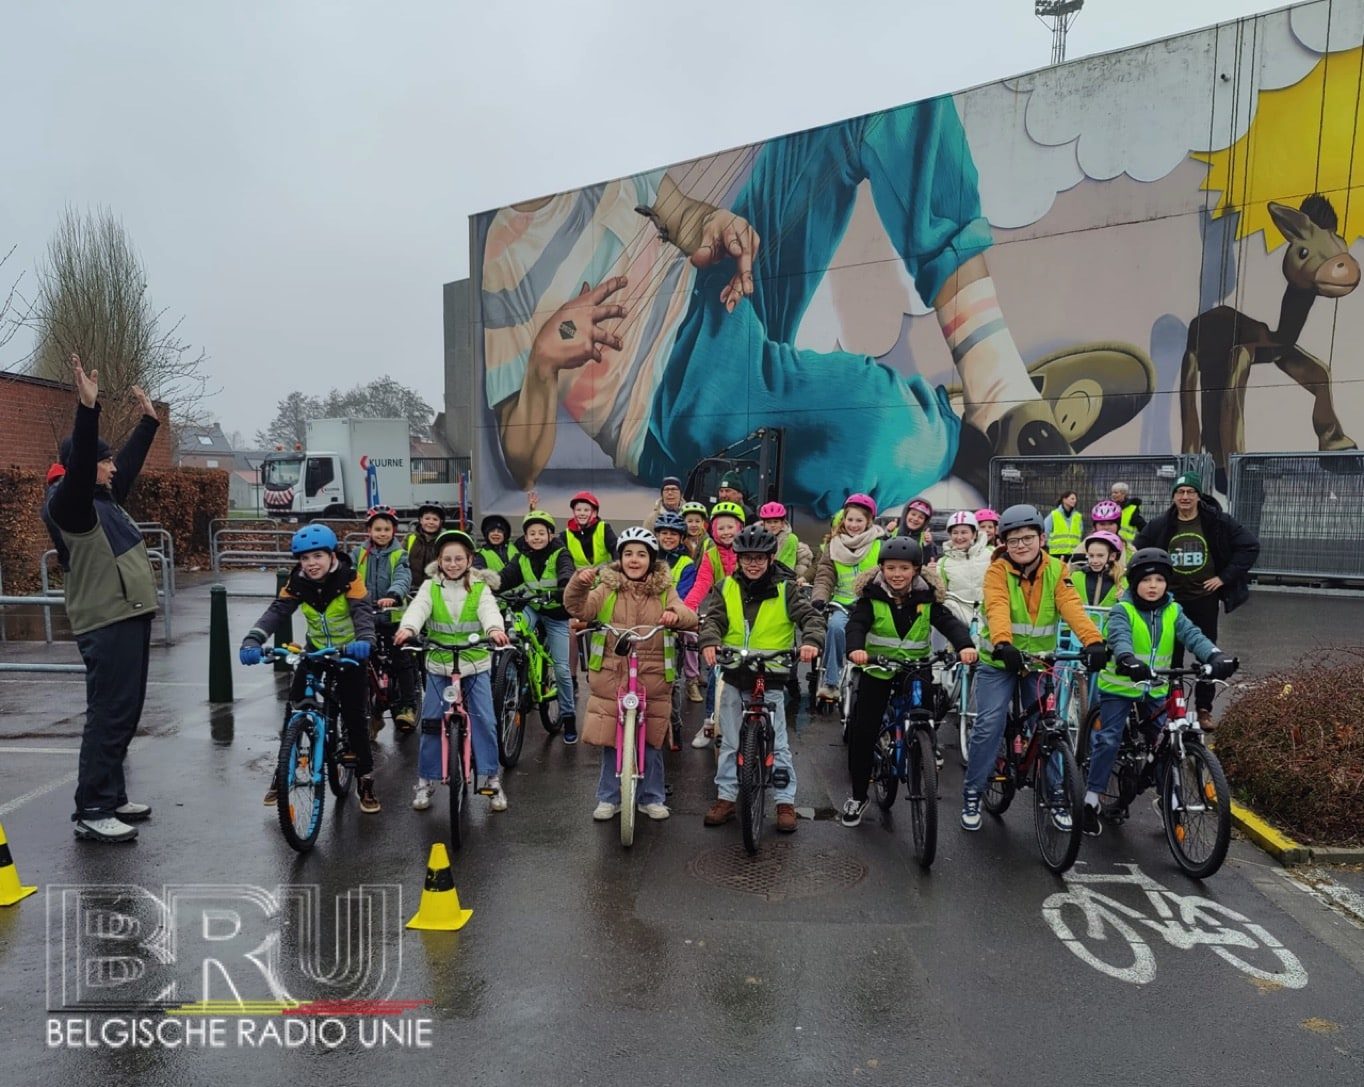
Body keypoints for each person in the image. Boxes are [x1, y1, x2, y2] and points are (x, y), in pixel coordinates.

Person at [484, 98, 1121, 520]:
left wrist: (723, 230)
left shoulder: (609, 175)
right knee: (867, 423)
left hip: (721, 298)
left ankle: (996, 387)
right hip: (673, 402)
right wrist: (543, 362)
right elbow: (522, 461)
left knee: (877, 111)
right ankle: (956, 433)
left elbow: (684, 218)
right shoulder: (503, 255)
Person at [41, 355, 160, 844]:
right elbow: (84, 457)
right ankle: (91, 808)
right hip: (105, 621)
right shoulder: (69, 504)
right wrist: (86, 410)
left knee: (125, 712)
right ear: (86, 465)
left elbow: (126, 462)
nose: (113, 467)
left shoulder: (104, 498)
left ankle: (110, 796)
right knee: (108, 714)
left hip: (128, 616)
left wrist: (149, 421)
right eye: (103, 460)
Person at [960, 504, 1107, 832]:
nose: (1021, 545)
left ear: (1042, 538)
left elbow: (1070, 606)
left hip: (1039, 663)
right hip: (999, 661)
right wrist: (1002, 643)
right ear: (1004, 544)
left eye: (1028, 538)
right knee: (989, 724)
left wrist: (1094, 642)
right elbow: (996, 606)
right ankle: (973, 791)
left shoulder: (1057, 569)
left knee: (1049, 727)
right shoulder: (997, 571)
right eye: (1013, 541)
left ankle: (1056, 794)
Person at [1086, 547, 1237, 835]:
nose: (1153, 586)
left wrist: (1215, 656)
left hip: (1155, 688)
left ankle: (1167, 797)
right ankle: (1091, 799)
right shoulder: (1123, 610)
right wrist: (1127, 659)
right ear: (1134, 583)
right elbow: (1119, 638)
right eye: (1146, 580)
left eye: (1159, 580)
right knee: (1108, 740)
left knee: (1166, 742)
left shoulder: (1173, 611)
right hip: (1121, 687)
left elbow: (1193, 636)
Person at [240, 523, 380, 813]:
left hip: (349, 651)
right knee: (295, 708)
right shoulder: (297, 582)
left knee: (354, 716)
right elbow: (277, 611)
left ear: (332, 555)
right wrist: (253, 638)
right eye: (304, 558)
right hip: (316, 649)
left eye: (317, 556)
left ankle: (365, 780)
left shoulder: (350, 578)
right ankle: (283, 772)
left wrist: (365, 641)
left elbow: (362, 613)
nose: (311, 564)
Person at [841, 536, 977, 826]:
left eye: (904, 568)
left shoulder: (927, 598)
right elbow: (857, 624)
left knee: (927, 715)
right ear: (881, 569)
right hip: (878, 669)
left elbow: (949, 623)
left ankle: (924, 752)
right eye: (891, 568)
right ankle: (858, 795)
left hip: (916, 668)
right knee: (863, 730)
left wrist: (964, 645)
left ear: (915, 570)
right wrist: (856, 648)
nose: (897, 574)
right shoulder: (871, 596)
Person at [565, 528, 699, 821]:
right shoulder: (607, 587)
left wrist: (675, 616)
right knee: (611, 738)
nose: (634, 560)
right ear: (620, 558)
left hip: (652, 674)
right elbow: (578, 608)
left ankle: (651, 797)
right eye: (628, 554)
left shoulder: (664, 589)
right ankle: (608, 797)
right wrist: (579, 583)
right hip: (612, 672)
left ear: (651, 560)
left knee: (651, 738)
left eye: (641, 554)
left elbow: (686, 613)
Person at [698, 525, 825, 832]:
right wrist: (710, 641)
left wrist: (810, 641)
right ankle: (727, 798)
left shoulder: (786, 588)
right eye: (746, 558)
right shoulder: (726, 586)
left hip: (771, 673)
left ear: (770, 558)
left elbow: (810, 617)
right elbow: (712, 618)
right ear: (738, 559)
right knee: (728, 740)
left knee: (779, 742)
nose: (752, 564)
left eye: (759, 558)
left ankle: (784, 801)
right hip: (735, 671)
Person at [395, 530, 509, 812]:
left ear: (470, 559)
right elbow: (418, 609)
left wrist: (495, 629)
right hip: (439, 665)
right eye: (448, 558)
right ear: (439, 560)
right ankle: (426, 780)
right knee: (432, 722)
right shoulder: (429, 587)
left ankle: (492, 779)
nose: (454, 563)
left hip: (474, 665)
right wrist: (408, 627)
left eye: (459, 558)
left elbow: (489, 611)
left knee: (485, 720)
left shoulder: (480, 588)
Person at [1134, 472, 1259, 729]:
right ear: (1173, 498)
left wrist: (1224, 578)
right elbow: (1137, 549)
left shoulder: (1216, 522)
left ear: (1198, 496)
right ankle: (1169, 708)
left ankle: (1203, 710)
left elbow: (1249, 545)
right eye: (1180, 492)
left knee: (1206, 658)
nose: (1185, 497)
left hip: (1204, 600)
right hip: (1171, 602)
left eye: (1190, 492)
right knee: (1170, 659)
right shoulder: (1161, 524)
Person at [494, 510, 579, 740]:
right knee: (515, 631)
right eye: (532, 533)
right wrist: (485, 586)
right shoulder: (521, 556)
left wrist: (561, 588)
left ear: (550, 535)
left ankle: (568, 716)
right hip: (533, 607)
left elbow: (566, 574)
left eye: (542, 533)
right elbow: (505, 577)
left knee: (561, 668)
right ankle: (515, 675)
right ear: (526, 536)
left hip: (556, 613)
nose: (537, 537)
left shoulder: (560, 553)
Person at [811, 494, 885, 702]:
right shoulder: (834, 544)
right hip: (842, 604)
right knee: (835, 627)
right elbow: (825, 575)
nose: (853, 524)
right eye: (849, 519)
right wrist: (819, 598)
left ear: (868, 521)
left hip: (871, 604)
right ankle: (831, 683)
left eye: (859, 520)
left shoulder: (880, 545)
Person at [684, 500, 747, 745]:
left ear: (740, 528)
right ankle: (710, 722)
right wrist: (687, 610)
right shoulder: (711, 555)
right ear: (713, 530)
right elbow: (701, 584)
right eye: (721, 528)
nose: (726, 532)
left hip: (746, 618)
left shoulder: (748, 552)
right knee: (714, 672)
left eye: (731, 527)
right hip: (720, 617)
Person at [353, 504, 417, 733]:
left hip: (393, 617)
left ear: (394, 531)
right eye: (377, 529)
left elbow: (402, 577)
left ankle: (407, 706)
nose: (382, 533)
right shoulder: (358, 554)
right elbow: (348, 576)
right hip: (365, 617)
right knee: (363, 665)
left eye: (386, 529)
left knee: (402, 661)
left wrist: (393, 595)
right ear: (369, 530)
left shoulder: (400, 554)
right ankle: (372, 714)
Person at [938, 510, 990, 626]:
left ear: (974, 534)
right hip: (960, 621)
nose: (959, 537)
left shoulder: (991, 555)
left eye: (964, 532)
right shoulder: (943, 563)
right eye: (955, 533)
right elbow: (941, 595)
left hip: (990, 617)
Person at [759, 501, 814, 583]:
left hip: (781, 580)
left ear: (782, 523)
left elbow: (785, 567)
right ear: (763, 524)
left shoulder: (790, 538)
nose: (772, 525)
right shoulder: (758, 538)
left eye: (776, 521)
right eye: (769, 522)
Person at [1072, 530, 1125, 610]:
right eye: (1091, 556)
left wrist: (1125, 599)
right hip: (1079, 622)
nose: (1095, 561)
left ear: (1112, 556)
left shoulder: (1122, 580)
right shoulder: (1075, 576)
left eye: (1100, 556)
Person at [563, 491, 617, 569]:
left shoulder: (604, 528)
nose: (582, 513)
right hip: (579, 579)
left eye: (586, 510)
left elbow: (616, 549)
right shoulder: (565, 535)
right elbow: (563, 562)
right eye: (578, 510)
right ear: (574, 512)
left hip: (604, 577)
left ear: (594, 513)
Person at [406, 502, 446, 593]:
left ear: (441, 522)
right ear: (421, 520)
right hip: (411, 590)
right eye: (427, 518)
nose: (431, 522)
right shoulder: (410, 538)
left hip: (436, 589)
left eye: (435, 519)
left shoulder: (444, 540)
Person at [1045, 491, 1083, 561]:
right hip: (1056, 554)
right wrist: (1049, 546)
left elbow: (1080, 533)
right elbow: (1045, 532)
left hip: (1074, 554)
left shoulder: (1078, 516)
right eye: (1072, 498)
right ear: (1064, 499)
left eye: (1075, 499)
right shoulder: (1054, 515)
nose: (1075, 501)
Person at [1109, 481, 1146, 549]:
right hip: (1110, 542)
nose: (1113, 495)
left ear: (1124, 494)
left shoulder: (1132, 508)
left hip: (1126, 545)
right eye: (1112, 492)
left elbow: (1142, 527)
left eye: (1116, 492)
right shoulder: (1109, 508)